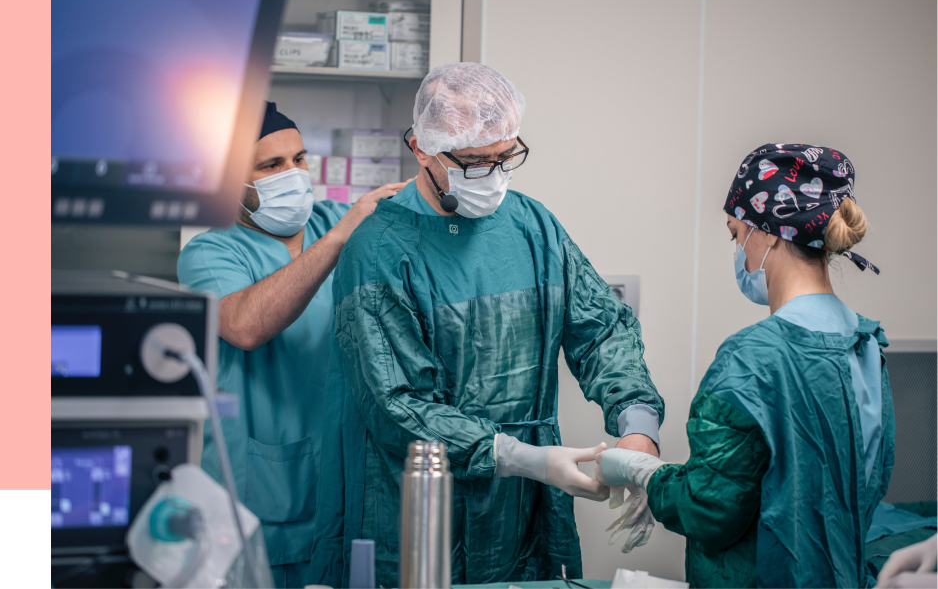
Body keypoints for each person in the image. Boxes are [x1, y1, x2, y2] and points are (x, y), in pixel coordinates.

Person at [307, 63, 664, 589]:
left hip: (525, 513)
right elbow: (397, 405)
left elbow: (602, 329)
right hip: (420, 503)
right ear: (422, 149)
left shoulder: (532, 226)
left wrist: (638, 431)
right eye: (475, 162)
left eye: (506, 157)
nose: (494, 176)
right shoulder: (379, 251)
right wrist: (523, 457)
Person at [595, 143, 893, 589]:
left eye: (736, 234)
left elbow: (709, 509)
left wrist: (643, 473)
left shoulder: (751, 359)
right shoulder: (866, 345)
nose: (738, 250)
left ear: (768, 232)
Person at [177, 102, 406, 589]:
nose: (294, 175)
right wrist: (343, 236)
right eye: (271, 165)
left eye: (299, 159)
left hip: (345, 482)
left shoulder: (333, 220)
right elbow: (244, 325)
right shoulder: (211, 251)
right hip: (258, 494)